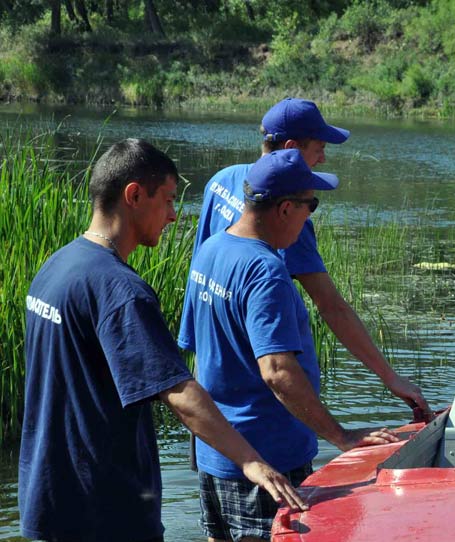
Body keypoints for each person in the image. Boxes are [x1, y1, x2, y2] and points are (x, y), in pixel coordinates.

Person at [18, 139, 307, 542]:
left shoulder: (57, 268)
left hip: (53, 490)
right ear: (133, 195)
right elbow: (178, 390)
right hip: (105, 501)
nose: (176, 215)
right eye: (168, 199)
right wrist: (249, 460)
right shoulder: (120, 289)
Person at [179, 149, 400, 542]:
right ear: (284, 208)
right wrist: (340, 435)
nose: (309, 218)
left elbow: (192, 342)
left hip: (218, 442)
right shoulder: (265, 271)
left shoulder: (211, 250)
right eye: (310, 206)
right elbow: (278, 372)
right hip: (265, 448)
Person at [180, 97, 430, 416]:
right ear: (290, 148)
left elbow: (200, 273)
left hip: (210, 385)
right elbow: (331, 306)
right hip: (263, 403)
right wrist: (391, 378)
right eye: (318, 148)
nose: (323, 159)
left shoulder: (222, 181)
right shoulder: (286, 221)